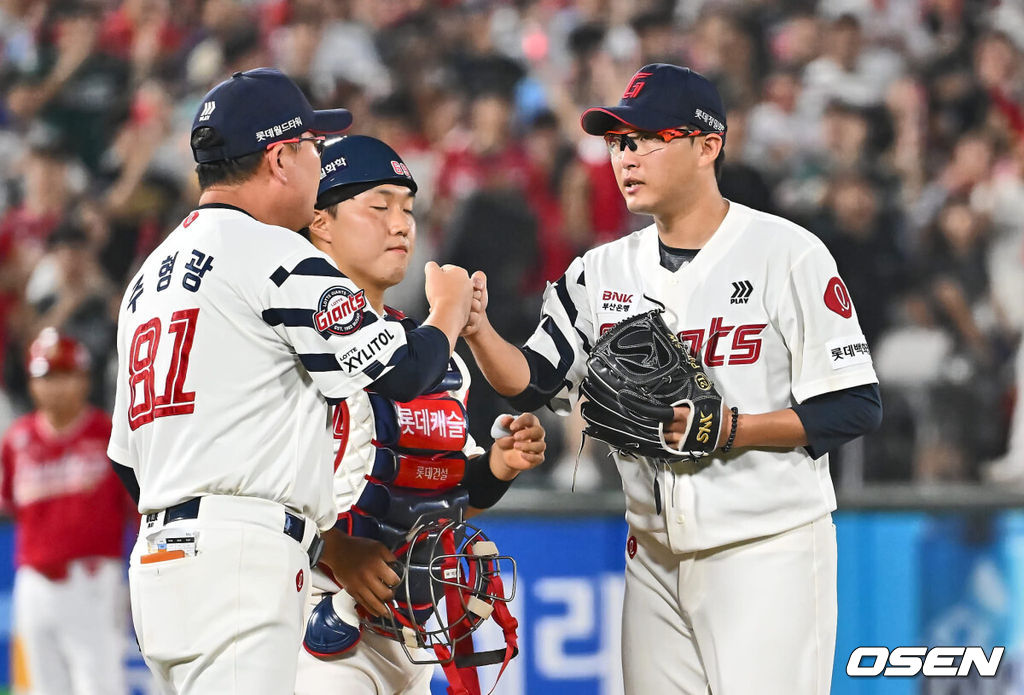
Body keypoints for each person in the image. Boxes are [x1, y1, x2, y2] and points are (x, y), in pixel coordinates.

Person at [462, 63, 883, 695]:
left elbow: (853, 405)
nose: (625, 158)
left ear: (707, 145)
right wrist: (478, 331)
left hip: (766, 548)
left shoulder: (784, 252)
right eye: (617, 143)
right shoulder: (600, 270)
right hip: (652, 558)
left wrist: (731, 427)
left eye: (646, 139)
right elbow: (533, 380)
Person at [106, 68, 475, 695]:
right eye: (310, 147)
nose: (317, 162)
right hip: (241, 562)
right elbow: (407, 372)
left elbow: (126, 464)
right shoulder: (272, 253)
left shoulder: (150, 277)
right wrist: (448, 310)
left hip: (160, 562)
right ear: (279, 159)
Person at [293, 135, 545, 695]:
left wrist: (500, 465)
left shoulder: (435, 352)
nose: (401, 224)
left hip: (409, 637)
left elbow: (449, 493)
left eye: (408, 208)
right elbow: (254, 486)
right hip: (313, 616)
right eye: (378, 206)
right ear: (321, 221)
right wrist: (335, 548)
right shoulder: (296, 338)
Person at [1, 328, 135, 695]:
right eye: (45, 377)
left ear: (83, 379)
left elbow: (135, 509)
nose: (54, 387)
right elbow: (9, 505)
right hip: (33, 582)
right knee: (42, 687)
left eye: (63, 375)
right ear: (31, 383)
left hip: (92, 578)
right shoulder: (17, 439)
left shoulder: (109, 433)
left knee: (100, 685)